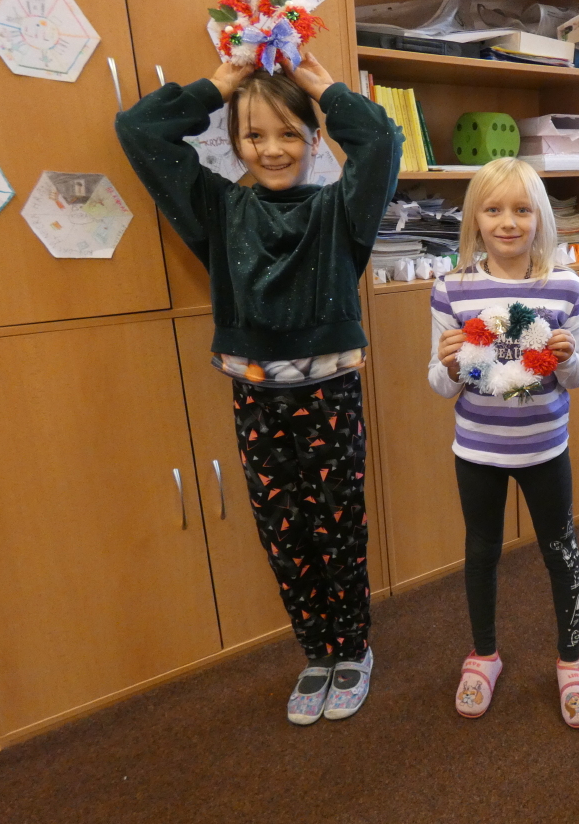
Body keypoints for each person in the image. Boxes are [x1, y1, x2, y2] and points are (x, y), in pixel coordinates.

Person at [115, 52, 402, 726]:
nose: (271, 149)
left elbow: (382, 141)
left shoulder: (341, 210)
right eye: (253, 135)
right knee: (284, 533)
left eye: (288, 134)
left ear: (314, 140)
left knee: (338, 526)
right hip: (255, 398)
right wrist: (222, 81)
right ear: (235, 143)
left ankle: (353, 649)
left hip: (329, 397)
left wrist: (315, 82)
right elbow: (139, 131)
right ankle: (317, 652)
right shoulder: (219, 209)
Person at [428, 157, 579, 728]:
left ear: (540, 217)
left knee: (560, 549)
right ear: (475, 219)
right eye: (493, 209)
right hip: (477, 449)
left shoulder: (567, 287)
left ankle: (571, 662)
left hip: (545, 447)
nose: (508, 222)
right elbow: (439, 385)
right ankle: (483, 656)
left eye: (522, 209)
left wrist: (568, 359)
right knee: (481, 552)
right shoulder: (453, 289)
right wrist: (450, 364)